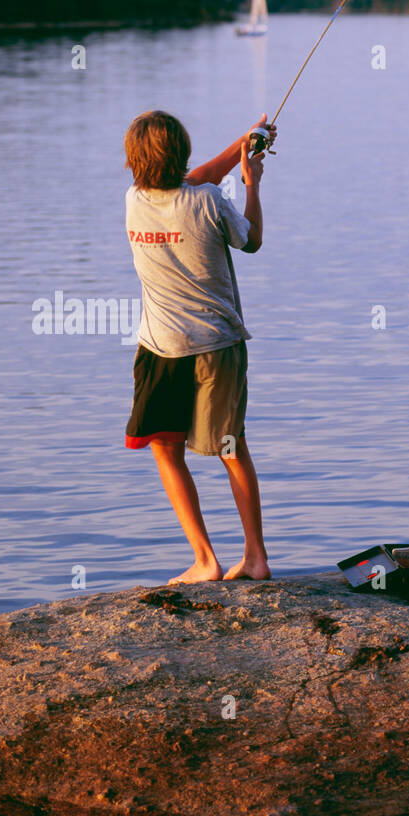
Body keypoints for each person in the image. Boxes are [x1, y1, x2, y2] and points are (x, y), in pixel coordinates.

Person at [122, 109, 274, 583]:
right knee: (232, 447)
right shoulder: (209, 201)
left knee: (166, 449)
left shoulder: (134, 199)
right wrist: (251, 182)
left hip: (159, 349)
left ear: (136, 161)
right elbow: (252, 241)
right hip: (217, 347)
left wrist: (241, 146)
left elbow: (193, 181)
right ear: (181, 154)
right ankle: (254, 558)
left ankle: (204, 558)